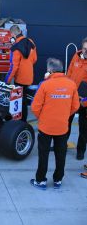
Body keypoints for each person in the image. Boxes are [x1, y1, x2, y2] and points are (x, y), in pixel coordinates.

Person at [30, 58, 80, 190]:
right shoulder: (72, 85)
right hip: (62, 127)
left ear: (50, 70)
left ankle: (40, 180)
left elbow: (35, 107)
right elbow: (76, 106)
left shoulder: (45, 85)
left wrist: (43, 118)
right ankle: (58, 180)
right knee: (60, 154)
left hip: (46, 127)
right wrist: (64, 115)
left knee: (43, 154)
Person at [5, 25, 37, 122]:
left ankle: (18, 121)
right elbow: (35, 59)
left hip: (20, 78)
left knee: (17, 100)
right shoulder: (31, 42)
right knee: (24, 101)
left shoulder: (15, 48)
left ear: (13, 34)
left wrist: (7, 80)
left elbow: (13, 67)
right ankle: (22, 120)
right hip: (29, 77)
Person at [66, 37, 87, 160]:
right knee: (65, 123)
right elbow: (69, 72)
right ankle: (61, 145)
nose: (86, 51)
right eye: (84, 48)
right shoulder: (76, 55)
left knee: (83, 127)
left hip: (84, 101)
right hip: (71, 97)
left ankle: (81, 151)